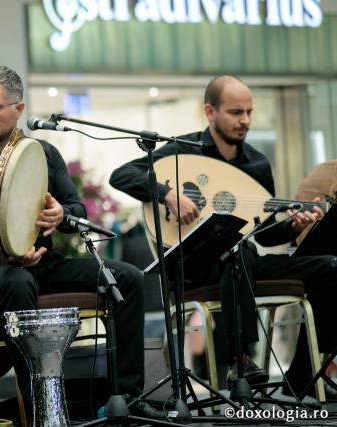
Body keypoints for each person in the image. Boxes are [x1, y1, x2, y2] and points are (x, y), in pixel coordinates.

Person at [0, 65, 159, 418]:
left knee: (127, 278)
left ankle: (127, 399)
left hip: (45, 265)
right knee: (18, 280)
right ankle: (38, 405)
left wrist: (62, 216)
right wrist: (3, 254)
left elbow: (75, 210)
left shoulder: (42, 153)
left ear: (18, 109)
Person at [110, 75, 337, 398]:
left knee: (330, 267)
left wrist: (294, 226)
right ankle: (239, 359)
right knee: (236, 248)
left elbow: (266, 235)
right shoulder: (182, 150)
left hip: (244, 265)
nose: (244, 120)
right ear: (210, 111)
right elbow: (121, 176)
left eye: (249, 112)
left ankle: (303, 376)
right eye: (235, 112)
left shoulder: (256, 163)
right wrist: (167, 194)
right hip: (194, 267)